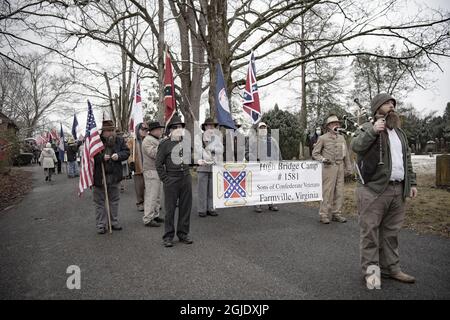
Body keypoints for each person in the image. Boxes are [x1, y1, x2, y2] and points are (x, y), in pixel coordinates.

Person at [351, 93, 418, 288]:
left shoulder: (399, 133)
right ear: (377, 107)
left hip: (397, 189)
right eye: (387, 103)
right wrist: (373, 130)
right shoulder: (367, 128)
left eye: (393, 103)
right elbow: (356, 146)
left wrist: (411, 183)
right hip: (373, 190)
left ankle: (391, 269)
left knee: (391, 234)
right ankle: (372, 275)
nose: (392, 106)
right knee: (370, 234)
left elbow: (407, 160)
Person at [156, 114, 193, 247]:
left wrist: (198, 160)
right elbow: (158, 164)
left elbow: (190, 158)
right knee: (170, 209)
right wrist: (165, 179)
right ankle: (168, 236)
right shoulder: (165, 144)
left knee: (185, 208)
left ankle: (183, 234)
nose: (179, 129)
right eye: (176, 127)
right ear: (170, 130)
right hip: (171, 179)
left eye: (181, 127)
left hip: (186, 178)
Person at [312, 115, 352, 224]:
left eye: (338, 123)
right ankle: (323, 214)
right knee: (327, 192)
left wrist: (349, 168)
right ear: (329, 126)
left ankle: (336, 213)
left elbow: (346, 154)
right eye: (334, 123)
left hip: (340, 167)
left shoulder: (342, 137)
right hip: (328, 168)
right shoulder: (322, 138)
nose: (337, 125)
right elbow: (315, 153)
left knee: (339, 191)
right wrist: (323, 159)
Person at [93, 120, 130, 234]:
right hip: (100, 176)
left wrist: (118, 156)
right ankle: (101, 224)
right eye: (107, 131)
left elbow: (126, 152)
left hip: (114, 175)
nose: (110, 133)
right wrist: (101, 158)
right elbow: (92, 156)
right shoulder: (96, 141)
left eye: (111, 130)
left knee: (114, 200)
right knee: (100, 202)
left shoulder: (119, 140)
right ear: (103, 132)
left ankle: (113, 222)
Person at [249, 122, 280, 213]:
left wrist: (280, 163)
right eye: (261, 128)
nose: (263, 129)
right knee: (259, 186)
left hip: (271, 168)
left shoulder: (272, 140)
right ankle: (257, 204)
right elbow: (247, 152)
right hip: (258, 168)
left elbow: (278, 153)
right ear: (257, 130)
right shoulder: (253, 140)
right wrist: (254, 157)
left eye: (264, 127)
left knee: (270, 185)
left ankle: (271, 203)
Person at [196, 117, 222, 217]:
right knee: (202, 190)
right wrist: (205, 155)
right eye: (209, 125)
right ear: (205, 126)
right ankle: (202, 209)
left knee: (212, 190)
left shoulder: (217, 138)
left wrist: (213, 150)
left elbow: (220, 150)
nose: (211, 127)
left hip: (214, 167)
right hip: (203, 166)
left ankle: (211, 208)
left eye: (213, 125)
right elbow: (198, 150)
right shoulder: (199, 137)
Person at [142, 121, 165, 227]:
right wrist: (163, 146)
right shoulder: (147, 140)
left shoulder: (156, 140)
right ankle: (148, 218)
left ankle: (155, 215)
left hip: (157, 170)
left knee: (157, 195)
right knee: (151, 195)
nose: (160, 131)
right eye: (159, 129)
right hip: (151, 170)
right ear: (153, 131)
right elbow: (154, 154)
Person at [127, 123, 149, 212]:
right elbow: (129, 153)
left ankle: (149, 203)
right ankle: (140, 203)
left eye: (146, 130)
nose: (144, 131)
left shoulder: (148, 140)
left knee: (149, 187)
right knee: (139, 188)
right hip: (137, 168)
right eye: (142, 129)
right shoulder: (132, 141)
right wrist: (130, 162)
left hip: (148, 167)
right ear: (138, 130)